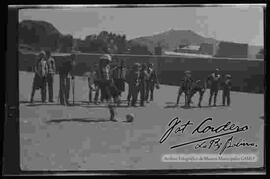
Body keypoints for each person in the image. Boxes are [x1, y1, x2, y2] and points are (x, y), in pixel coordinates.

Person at [97, 54, 119, 121]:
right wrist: (108, 81)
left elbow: (108, 75)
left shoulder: (108, 67)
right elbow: (101, 78)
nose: (108, 62)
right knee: (110, 100)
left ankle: (114, 114)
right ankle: (113, 116)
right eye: (107, 61)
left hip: (110, 84)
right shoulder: (100, 68)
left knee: (116, 98)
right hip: (105, 85)